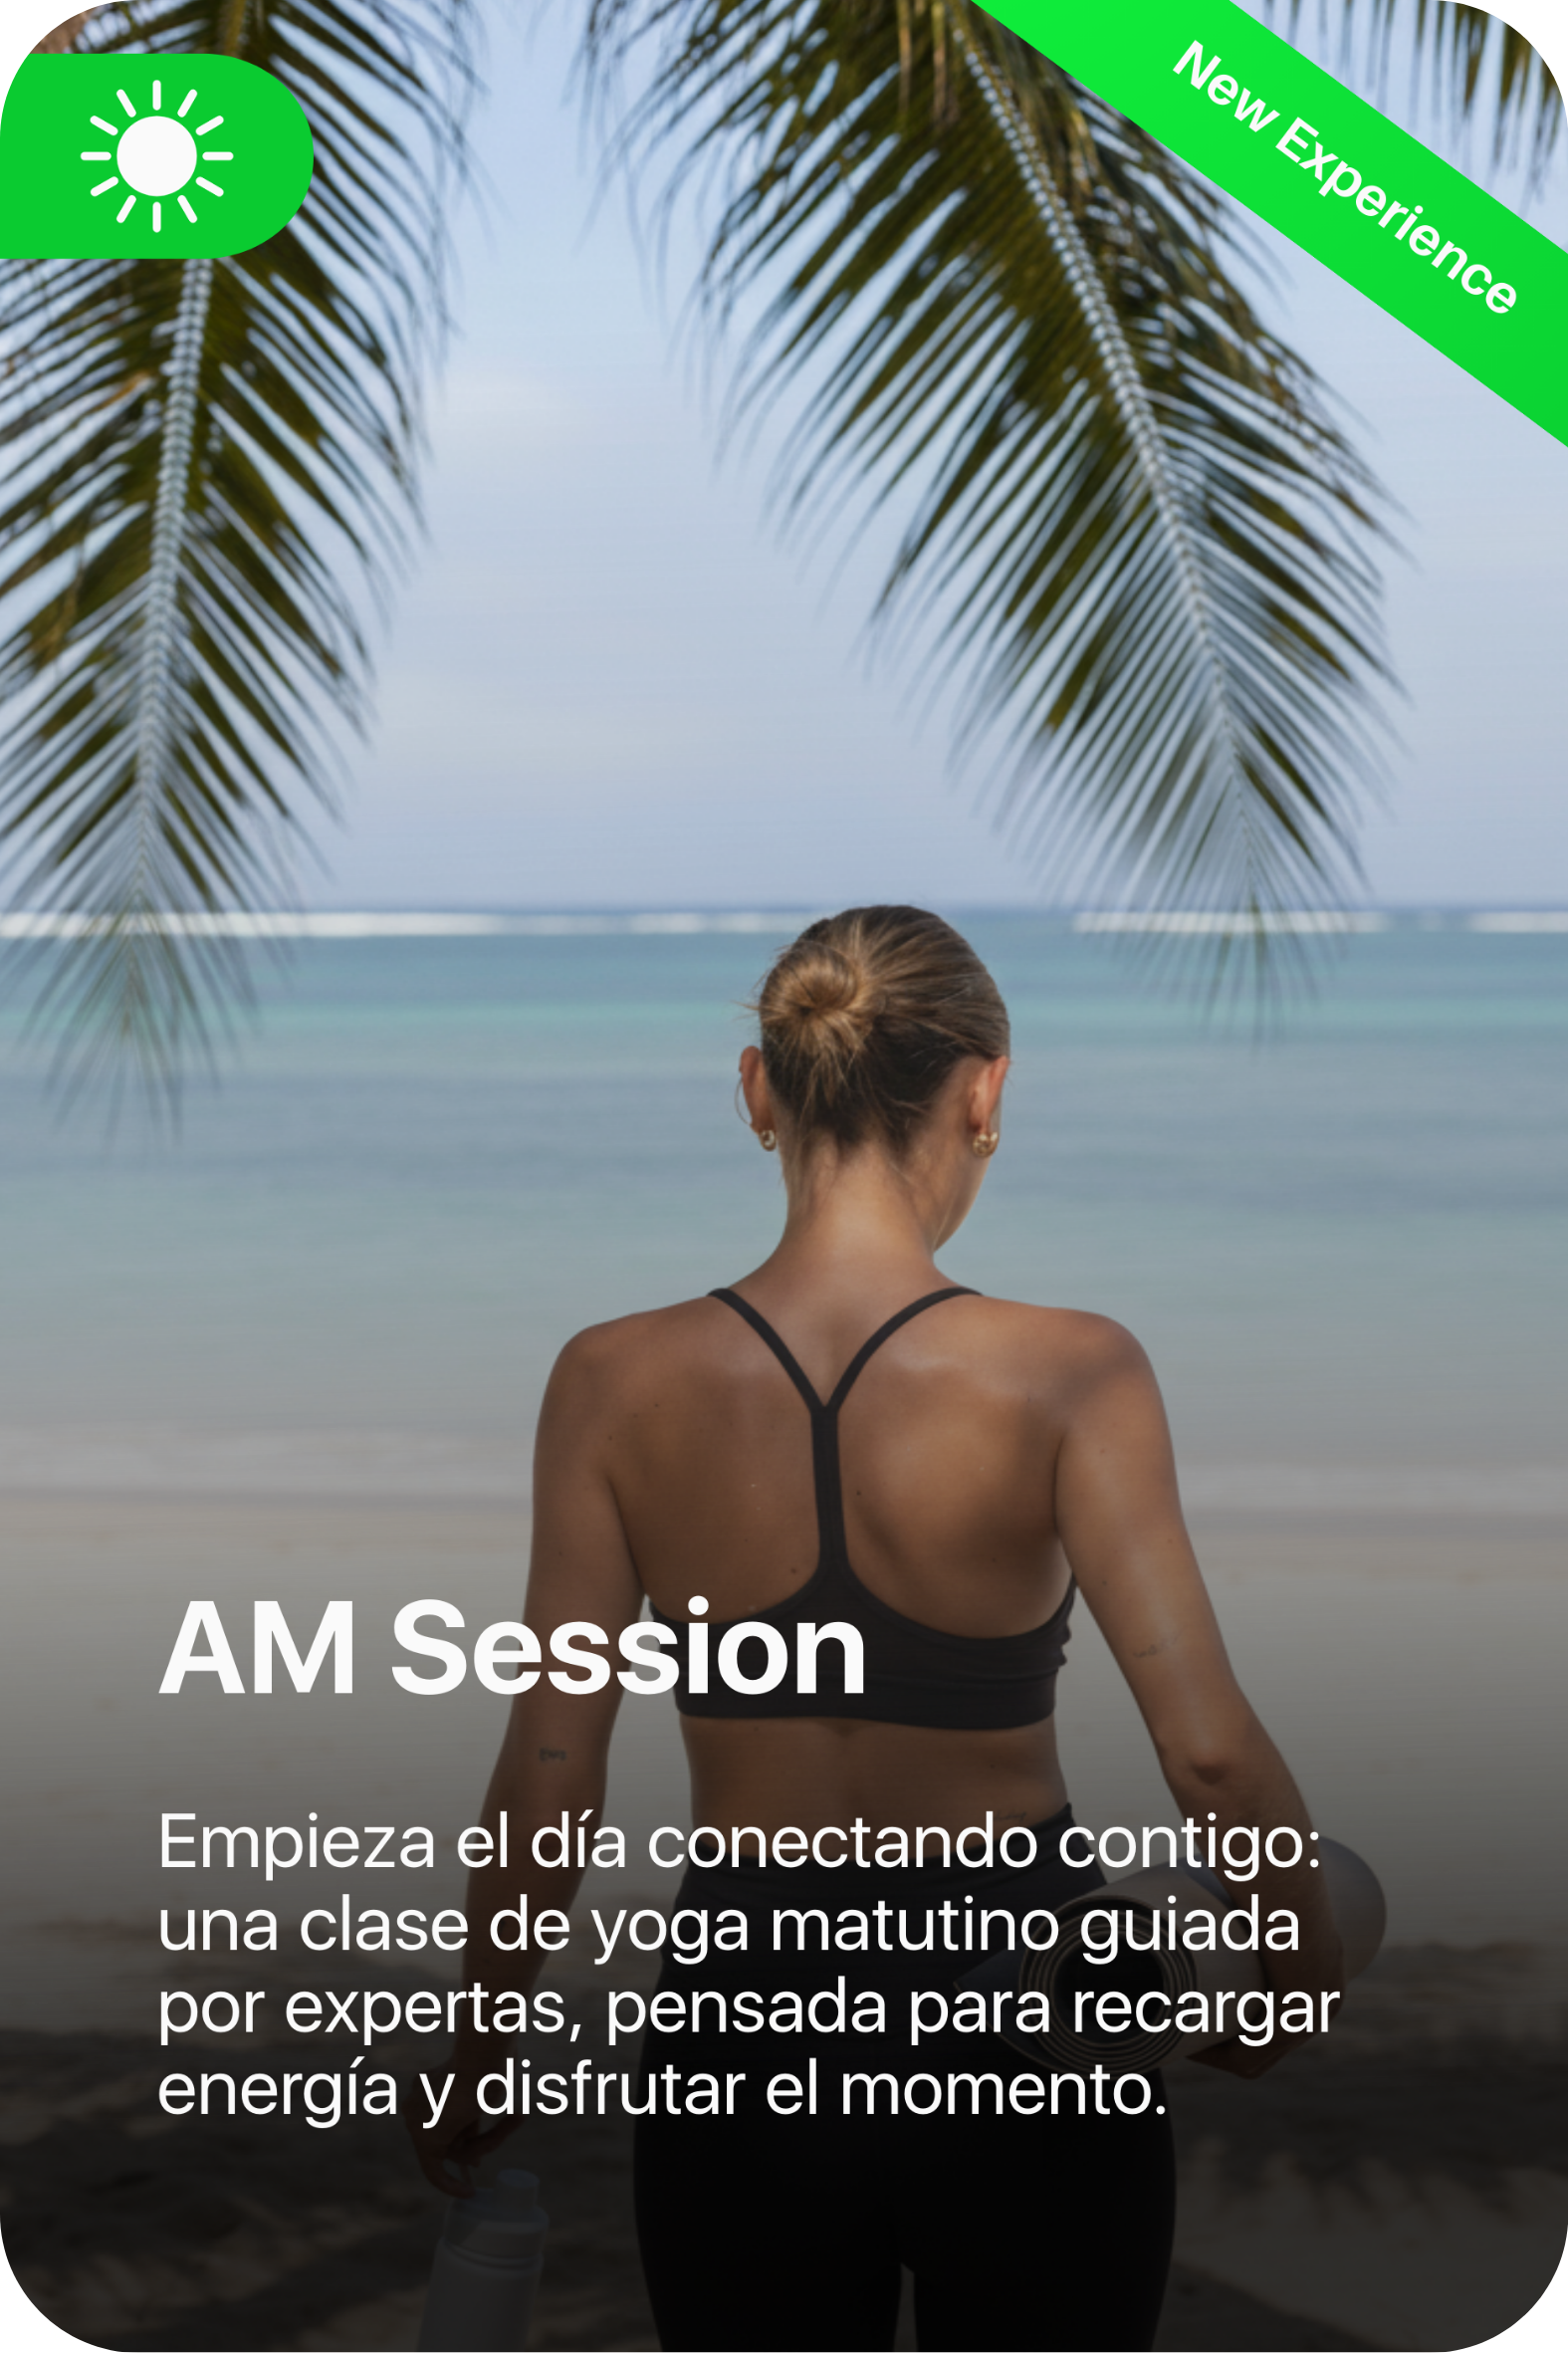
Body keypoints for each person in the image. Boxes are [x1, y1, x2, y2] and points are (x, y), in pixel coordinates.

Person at [407, 905, 1343, 2351]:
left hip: (745, 2014)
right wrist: (1287, 1970)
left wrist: (484, 2039)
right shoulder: (1074, 1371)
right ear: (985, 1091)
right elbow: (1209, 1759)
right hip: (1032, 2006)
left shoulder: (609, 1380)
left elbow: (549, 1775)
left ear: (756, 1089)